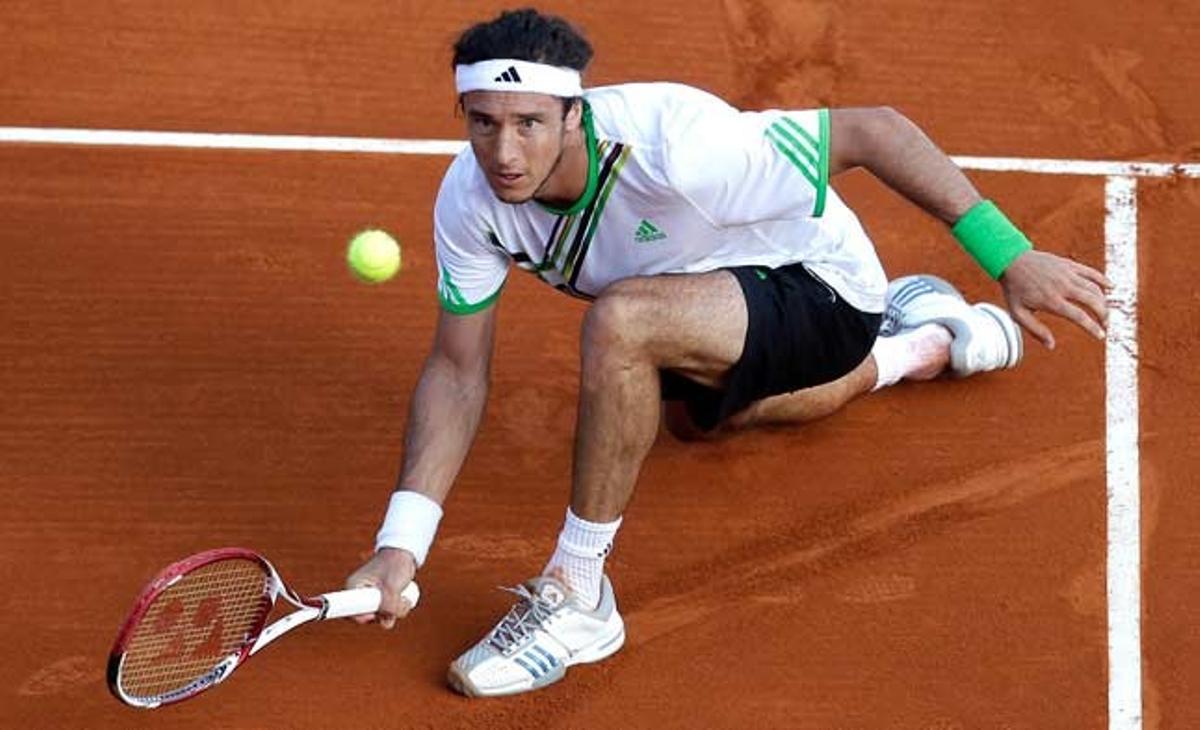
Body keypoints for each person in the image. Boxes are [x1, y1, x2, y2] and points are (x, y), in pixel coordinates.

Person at [345, 7, 1110, 697]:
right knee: (704, 423)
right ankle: (922, 343)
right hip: (701, 304)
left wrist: (1009, 255)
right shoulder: (470, 204)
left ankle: (579, 597)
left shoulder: (680, 145)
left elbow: (873, 129)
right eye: (483, 123)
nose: (504, 152)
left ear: (573, 115)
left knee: (623, 322)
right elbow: (456, 369)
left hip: (822, 287)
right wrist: (399, 548)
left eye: (530, 123)